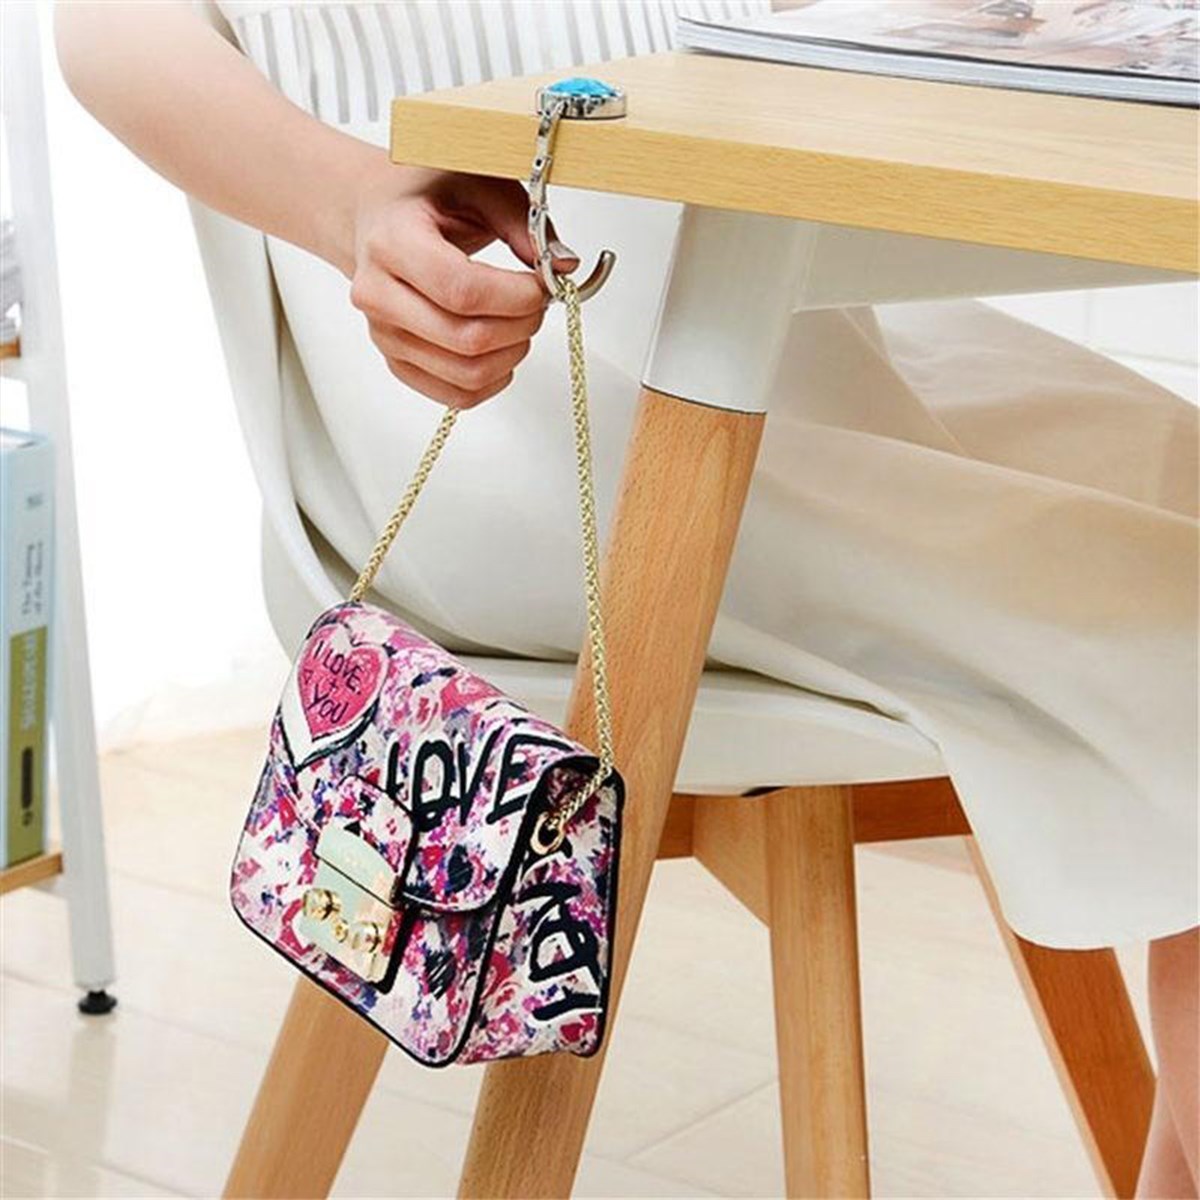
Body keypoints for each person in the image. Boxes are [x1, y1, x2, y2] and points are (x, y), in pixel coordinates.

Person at [56, 2, 1197, 1194]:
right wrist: (353, 204)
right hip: (489, 375)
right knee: (1167, 619)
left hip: (785, 293)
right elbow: (101, 25)